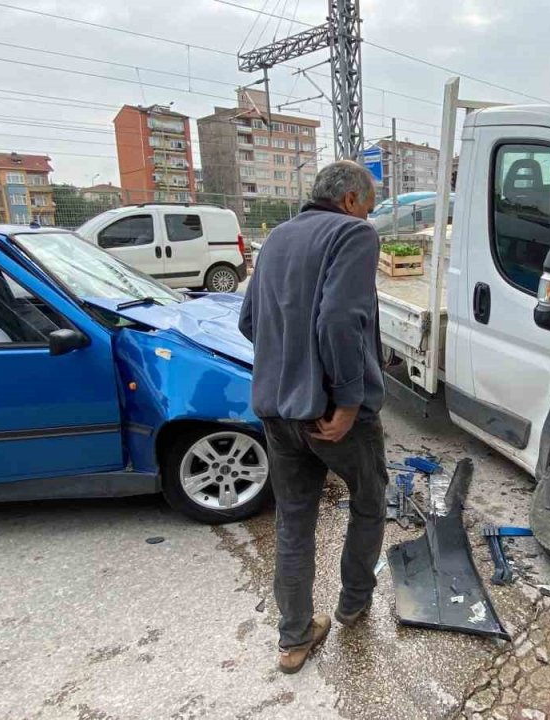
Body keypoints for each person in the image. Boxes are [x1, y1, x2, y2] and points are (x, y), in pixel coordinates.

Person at [238, 160, 387, 674]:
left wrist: (291, 367)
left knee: (294, 521)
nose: (369, 217)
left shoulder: (276, 238)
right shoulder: (354, 235)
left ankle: (294, 639)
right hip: (335, 415)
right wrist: (346, 402)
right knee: (369, 501)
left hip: (278, 413)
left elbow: (249, 322)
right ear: (350, 200)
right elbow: (341, 319)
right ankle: (353, 604)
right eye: (368, 207)